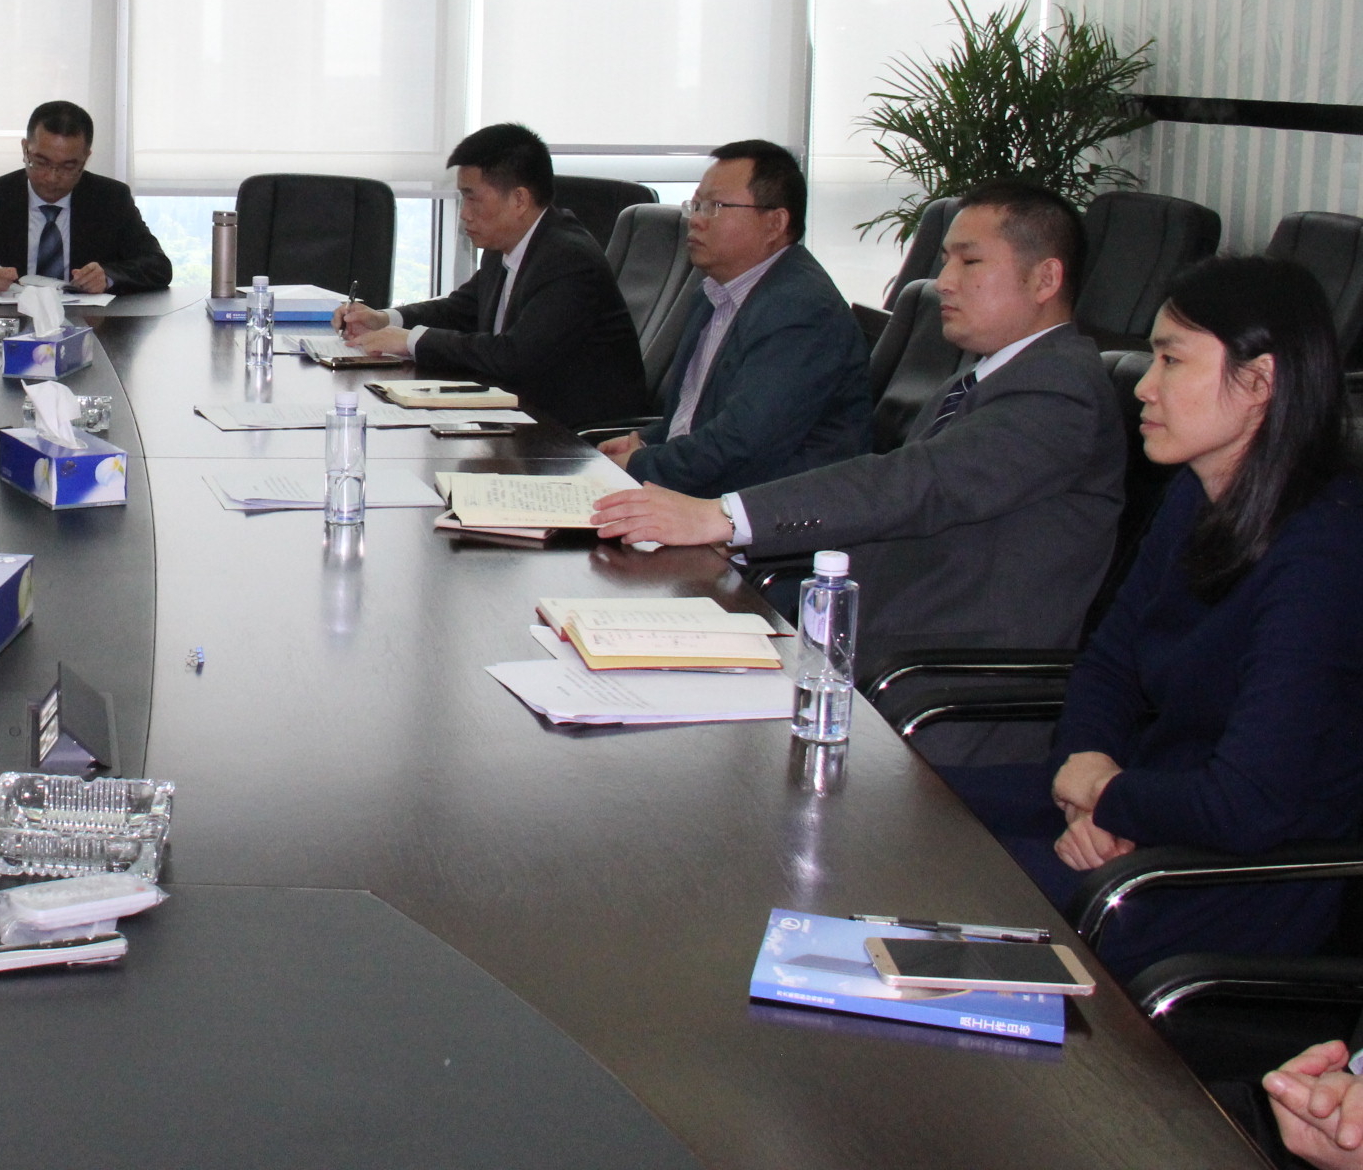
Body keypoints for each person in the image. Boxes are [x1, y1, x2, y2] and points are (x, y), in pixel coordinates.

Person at [593, 179, 1127, 760]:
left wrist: (722, 516)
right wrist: (739, 544)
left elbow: (913, 484)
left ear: (1046, 279)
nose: (943, 281)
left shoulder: (1060, 392)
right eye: (945, 259)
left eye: (969, 261)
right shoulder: (988, 377)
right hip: (871, 653)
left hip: (943, 693)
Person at [940, 256, 1363, 981]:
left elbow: (1248, 804)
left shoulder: (1328, 551)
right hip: (1142, 808)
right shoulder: (1197, 492)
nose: (1144, 385)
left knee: (929, 887)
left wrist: (1107, 797)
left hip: (1235, 878)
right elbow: (1109, 662)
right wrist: (1087, 768)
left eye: (1171, 360)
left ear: (1259, 382)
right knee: (898, 816)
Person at [594, 141, 871, 496]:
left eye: (714, 207)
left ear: (775, 223)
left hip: (770, 514)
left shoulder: (802, 311)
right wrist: (646, 442)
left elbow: (742, 445)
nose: (695, 220)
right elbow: (693, 419)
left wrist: (640, 464)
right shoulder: (714, 293)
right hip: (701, 494)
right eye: (695, 205)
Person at [335, 122, 650, 428]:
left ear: (519, 200)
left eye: (472, 198)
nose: (464, 214)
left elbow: (515, 356)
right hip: (518, 415)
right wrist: (385, 319)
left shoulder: (568, 259)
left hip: (570, 435)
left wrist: (411, 341)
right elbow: (461, 309)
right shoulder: (506, 245)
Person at [0, 101, 173, 295]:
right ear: (25, 149)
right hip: (9, 332)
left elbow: (158, 265)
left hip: (90, 330)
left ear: (86, 158)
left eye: (68, 166)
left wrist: (108, 277)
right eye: (40, 162)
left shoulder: (110, 199)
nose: (51, 177)